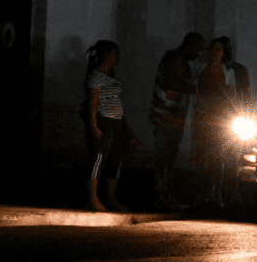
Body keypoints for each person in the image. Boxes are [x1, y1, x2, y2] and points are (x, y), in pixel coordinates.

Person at [148, 32, 206, 211]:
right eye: (198, 50)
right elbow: (173, 83)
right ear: (191, 45)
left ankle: (165, 196)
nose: (198, 55)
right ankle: (162, 197)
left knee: (167, 159)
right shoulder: (173, 59)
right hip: (166, 117)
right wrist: (198, 90)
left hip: (172, 117)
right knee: (164, 159)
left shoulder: (179, 61)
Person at [83, 40, 139, 212]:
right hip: (104, 121)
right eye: (114, 54)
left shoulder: (112, 77)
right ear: (106, 55)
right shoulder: (96, 76)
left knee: (115, 160)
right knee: (99, 160)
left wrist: (126, 129)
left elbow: (117, 102)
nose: (117, 57)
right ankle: (93, 198)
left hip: (116, 122)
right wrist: (93, 126)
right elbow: (93, 103)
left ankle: (110, 197)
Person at [194, 38, 238, 208]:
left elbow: (232, 94)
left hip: (221, 121)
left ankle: (216, 194)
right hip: (203, 120)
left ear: (223, 52)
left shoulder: (227, 72)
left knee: (218, 158)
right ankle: (202, 194)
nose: (214, 52)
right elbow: (197, 94)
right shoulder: (201, 70)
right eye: (213, 49)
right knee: (201, 157)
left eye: (218, 49)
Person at [220, 36, 251, 104]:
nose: (225, 51)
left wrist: (248, 107)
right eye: (223, 48)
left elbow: (246, 93)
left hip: (235, 107)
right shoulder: (213, 69)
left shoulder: (240, 69)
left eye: (227, 48)